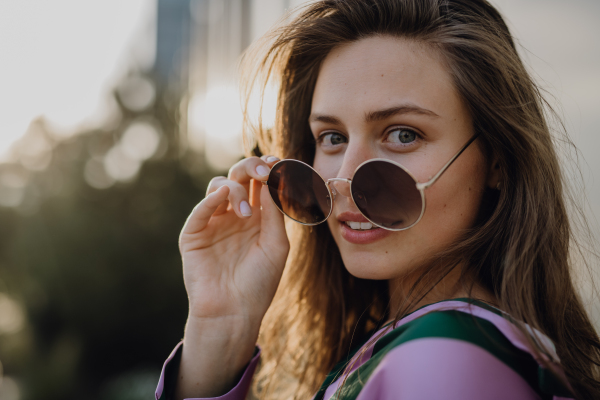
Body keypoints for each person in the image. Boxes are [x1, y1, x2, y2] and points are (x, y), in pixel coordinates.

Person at [155, 0, 600, 399]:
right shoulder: (416, 347)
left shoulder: (440, 362)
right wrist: (221, 329)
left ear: (497, 161)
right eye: (331, 137)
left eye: (403, 134)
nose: (344, 177)